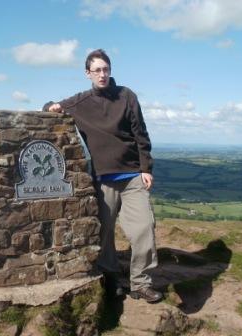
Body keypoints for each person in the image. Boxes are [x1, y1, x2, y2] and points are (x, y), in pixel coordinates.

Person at [43, 49, 162, 303]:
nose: (102, 74)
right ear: (88, 74)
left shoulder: (126, 96)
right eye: (97, 70)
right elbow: (51, 106)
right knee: (104, 233)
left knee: (144, 229)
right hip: (104, 178)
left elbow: (140, 133)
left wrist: (146, 168)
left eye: (106, 69)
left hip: (132, 177)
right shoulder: (82, 102)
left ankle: (141, 283)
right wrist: (48, 106)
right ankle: (111, 278)